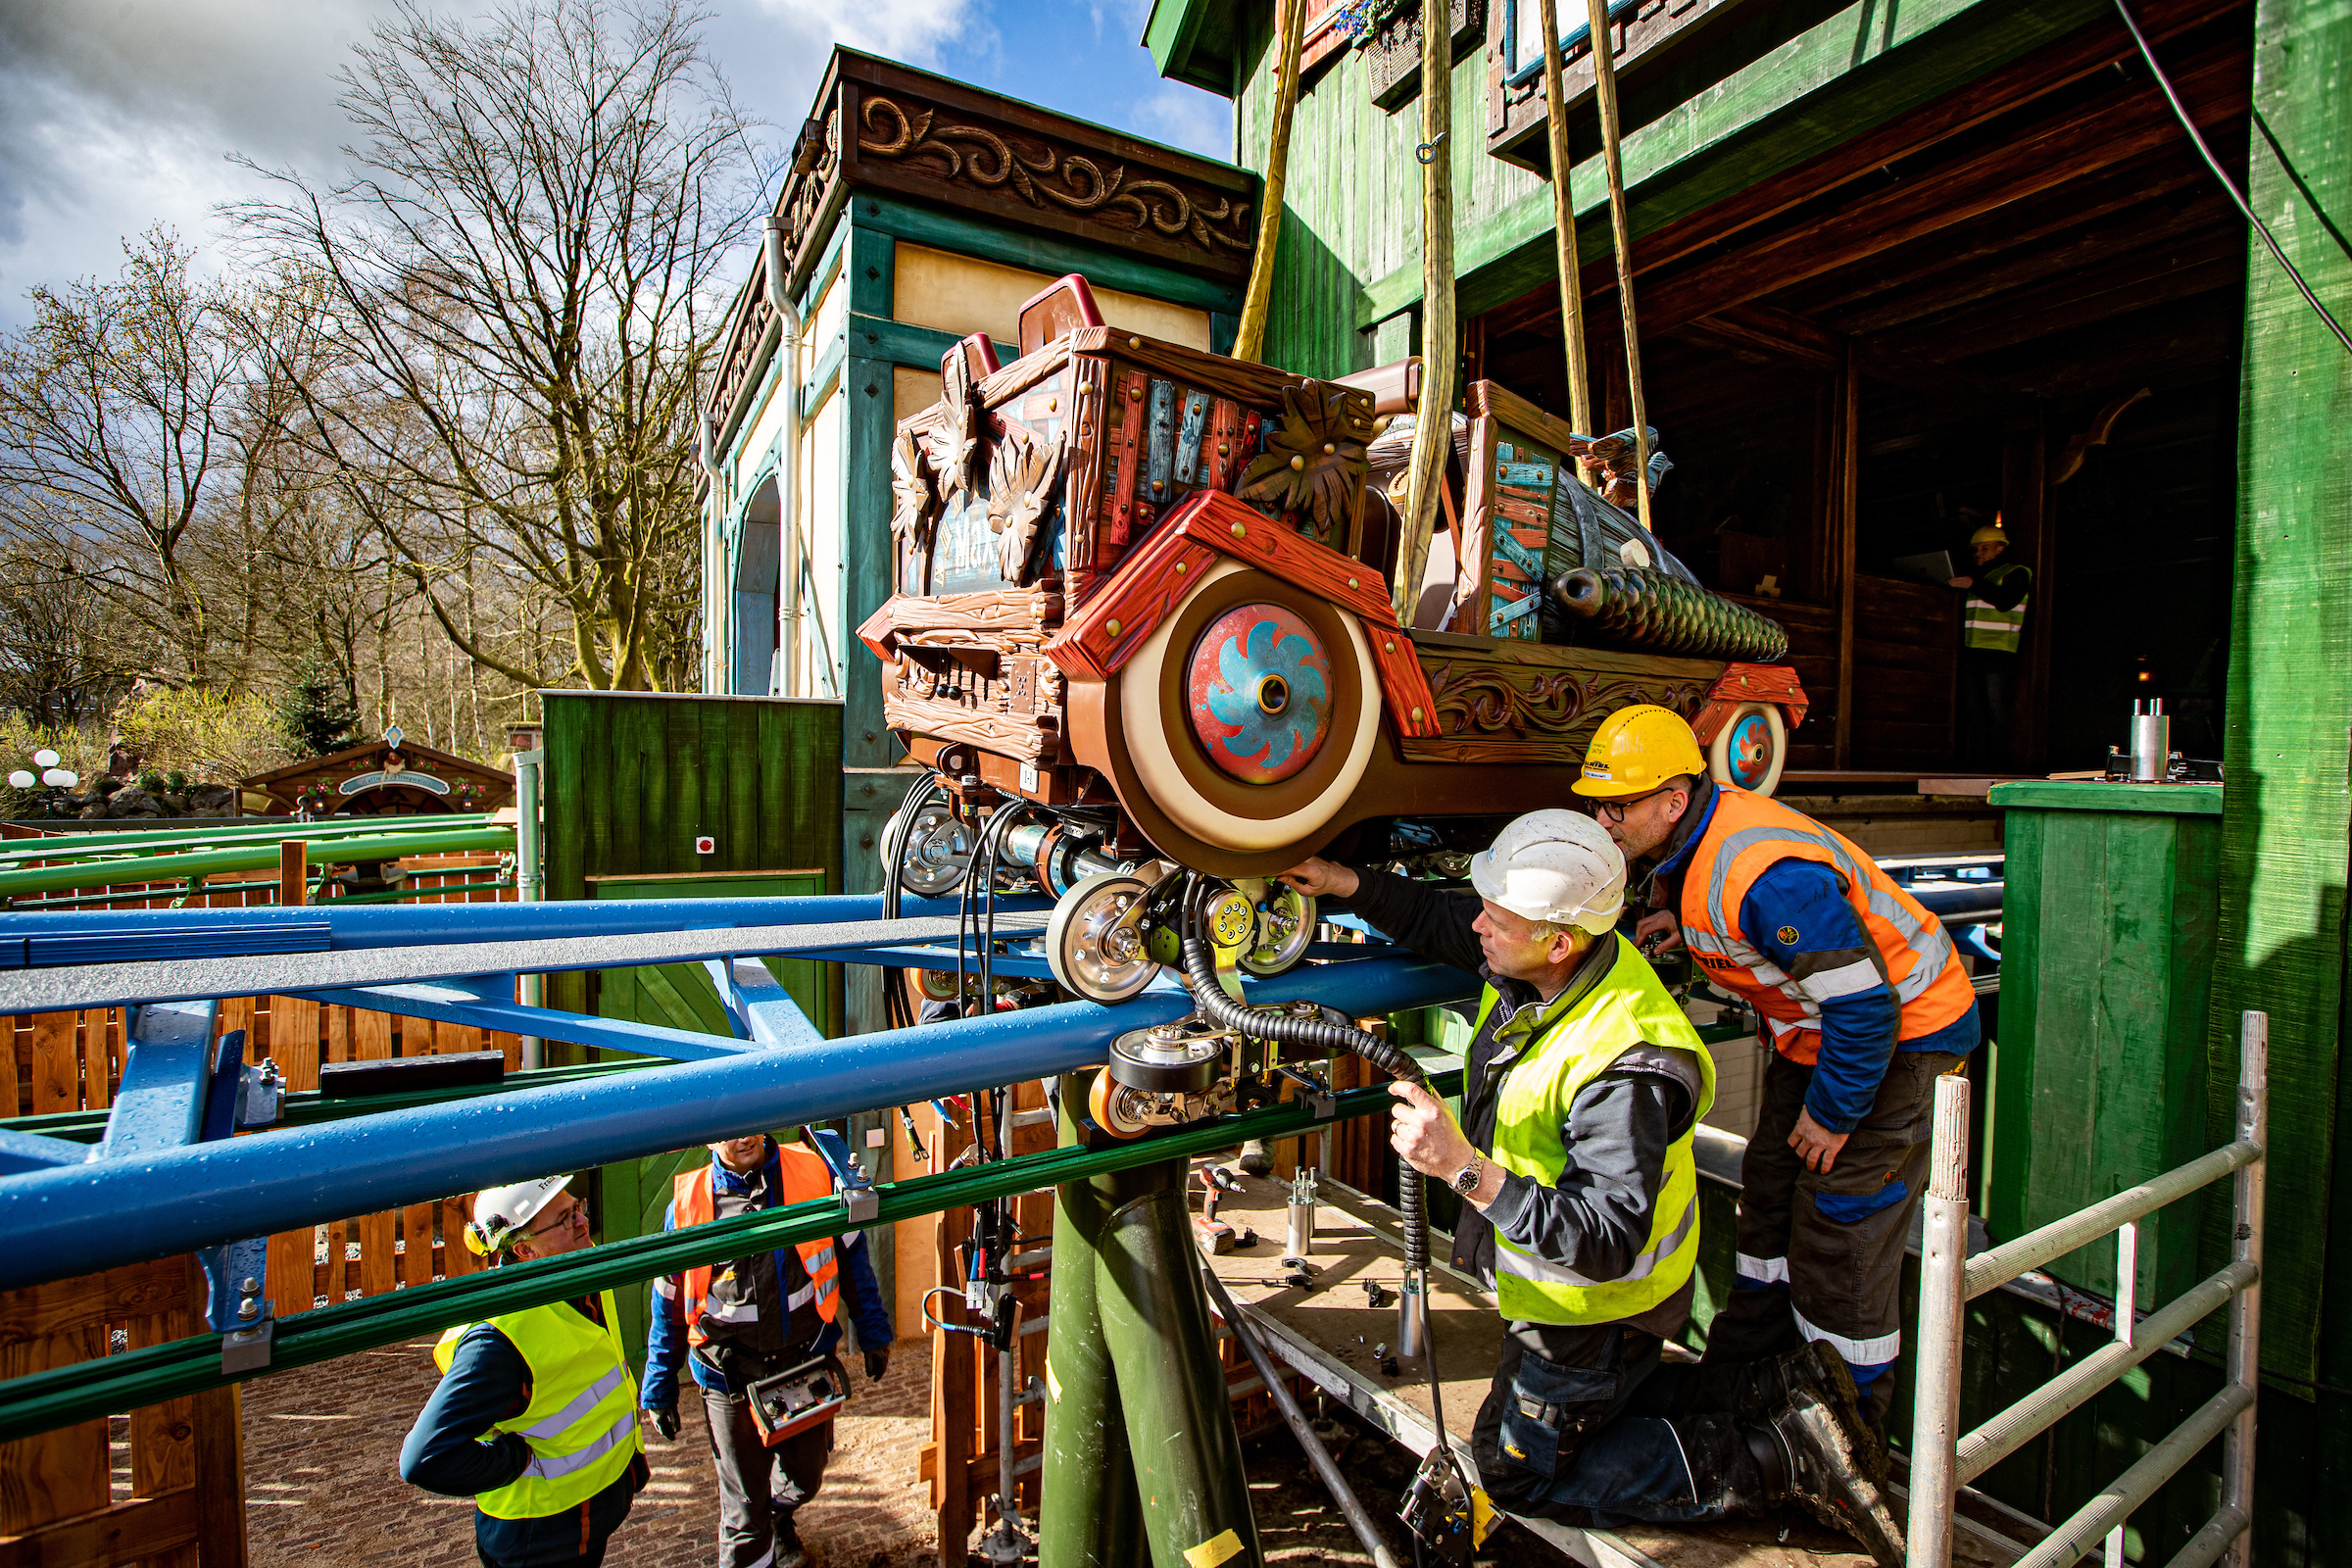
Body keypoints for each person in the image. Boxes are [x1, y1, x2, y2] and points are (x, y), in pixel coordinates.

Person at [1279, 811, 1903, 1563]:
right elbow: (1446, 918)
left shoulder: (1622, 1067)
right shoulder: (1554, 957)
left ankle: (1777, 1461)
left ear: (1557, 940)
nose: (1477, 926)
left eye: (1497, 918)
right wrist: (1344, 882)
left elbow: (1602, 1239)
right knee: (1599, 1406)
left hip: (1594, 1304)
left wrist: (1460, 1169)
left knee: (1514, 1472)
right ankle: (1772, 1393)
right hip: (1590, 1299)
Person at [1575, 705, 1979, 1442]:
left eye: (1618, 805)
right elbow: (1741, 930)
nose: (1603, 821)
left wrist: (1833, 1115)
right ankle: (1747, 1374)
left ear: (1672, 801)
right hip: (1821, 1036)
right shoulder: (1692, 843)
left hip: (1900, 1040)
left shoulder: (1769, 878)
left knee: (1838, 1226)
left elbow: (1865, 1009)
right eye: (1596, 803)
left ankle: (1846, 1432)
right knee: (1769, 1188)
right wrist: (1687, 938)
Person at [643, 1128, 896, 1568]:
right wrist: (659, 1384)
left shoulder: (814, 1173)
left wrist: (872, 1329)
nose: (744, 1138)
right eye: (728, 1132)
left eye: (751, 1124)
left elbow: (852, 1256)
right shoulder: (686, 1207)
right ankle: (758, 1531)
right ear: (705, 1139)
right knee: (743, 1515)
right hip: (730, 1375)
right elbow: (667, 1302)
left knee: (806, 1478)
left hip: (802, 1362)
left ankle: (777, 1516)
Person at [400, 1176, 648, 1568]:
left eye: (577, 1207)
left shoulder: (581, 1267)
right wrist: (513, 1461)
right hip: (540, 1538)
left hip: (586, 1515)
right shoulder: (500, 1341)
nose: (583, 1222)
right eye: (566, 1219)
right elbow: (424, 1457)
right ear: (526, 1250)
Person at [1948, 520, 2034, 770]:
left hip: (1999, 652)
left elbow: (2006, 601)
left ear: (2000, 548)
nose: (1978, 553)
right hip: (1973, 651)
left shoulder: (2017, 572)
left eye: (1984, 548)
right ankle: (1977, 764)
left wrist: (1973, 585)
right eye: (1976, 550)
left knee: (1995, 709)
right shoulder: (1977, 578)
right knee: (1974, 709)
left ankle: (1996, 766)